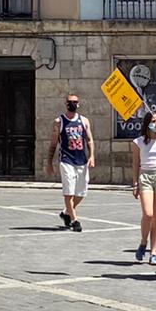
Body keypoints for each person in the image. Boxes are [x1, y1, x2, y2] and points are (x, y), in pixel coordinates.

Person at [130, 110, 156, 266]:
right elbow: (135, 164)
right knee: (148, 213)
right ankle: (143, 242)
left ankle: (153, 252)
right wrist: (135, 183)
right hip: (145, 177)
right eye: (153, 121)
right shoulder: (138, 142)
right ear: (147, 123)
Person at [48, 94, 94, 231]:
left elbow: (89, 140)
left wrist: (92, 156)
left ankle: (66, 212)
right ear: (66, 103)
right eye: (70, 102)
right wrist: (49, 162)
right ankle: (75, 220)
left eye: (75, 102)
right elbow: (53, 143)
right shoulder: (59, 121)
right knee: (69, 192)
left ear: (78, 104)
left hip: (81, 160)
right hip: (66, 160)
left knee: (81, 193)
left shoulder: (84, 121)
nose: (72, 104)